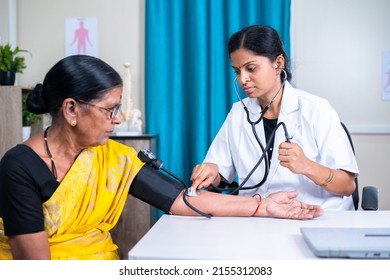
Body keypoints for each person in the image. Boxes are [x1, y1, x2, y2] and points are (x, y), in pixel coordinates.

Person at [0, 55, 322, 260]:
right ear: (71, 109)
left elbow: (183, 200)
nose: (117, 118)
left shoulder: (113, 158)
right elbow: (34, 268)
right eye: (110, 109)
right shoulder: (18, 168)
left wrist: (262, 206)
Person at [190, 25, 359, 211]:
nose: (242, 79)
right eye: (237, 71)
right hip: (260, 218)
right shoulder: (239, 113)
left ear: (278, 63)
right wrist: (212, 173)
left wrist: (307, 166)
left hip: (317, 218)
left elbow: (347, 186)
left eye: (251, 68)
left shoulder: (316, 109)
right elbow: (220, 176)